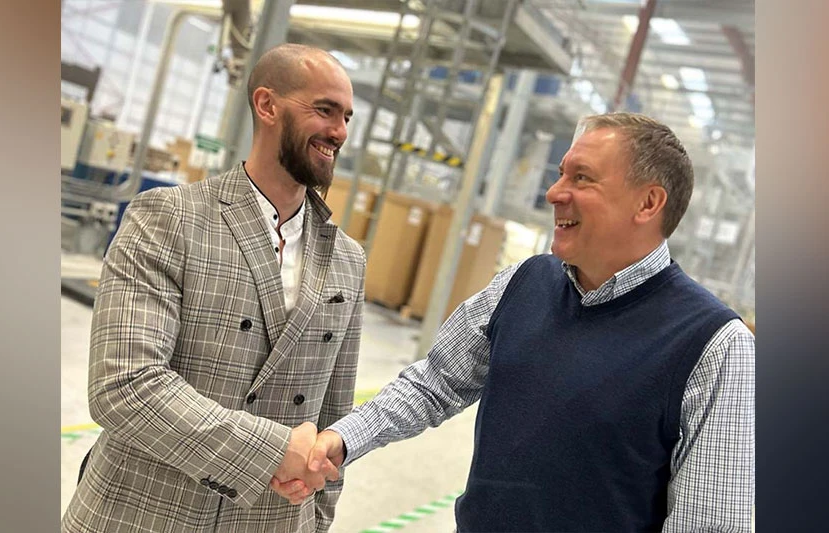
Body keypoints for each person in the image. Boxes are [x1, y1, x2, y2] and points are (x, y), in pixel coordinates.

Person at [273, 112, 755, 532]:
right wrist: (341, 440)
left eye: (582, 179)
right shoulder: (524, 283)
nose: (553, 193)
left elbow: (712, 523)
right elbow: (435, 382)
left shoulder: (713, 345)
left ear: (648, 204)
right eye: (561, 174)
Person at [62, 43, 363, 533]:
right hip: (142, 514)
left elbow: (334, 418)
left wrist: (315, 522)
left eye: (347, 116)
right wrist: (270, 451)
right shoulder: (168, 218)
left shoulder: (349, 261)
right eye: (324, 110)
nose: (340, 131)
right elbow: (124, 385)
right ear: (267, 106)